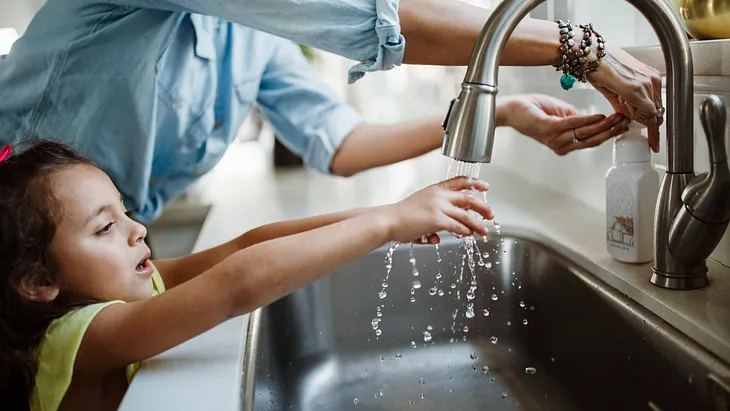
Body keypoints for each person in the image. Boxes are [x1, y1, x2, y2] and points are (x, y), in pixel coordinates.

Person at [0, 0, 660, 225]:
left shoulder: (252, 37)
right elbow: (383, 22)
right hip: (17, 238)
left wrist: (505, 111)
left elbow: (341, 141)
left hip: (99, 256)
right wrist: (576, 46)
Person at [0, 139, 492, 411]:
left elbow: (246, 245)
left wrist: (390, 218)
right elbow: (235, 283)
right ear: (39, 282)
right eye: (106, 227)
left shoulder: (131, 288)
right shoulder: (73, 338)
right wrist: (384, 223)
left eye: (125, 211)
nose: (138, 229)